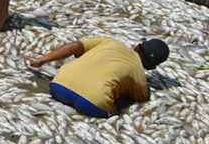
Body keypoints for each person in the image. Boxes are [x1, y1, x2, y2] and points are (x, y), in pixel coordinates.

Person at [25, 37, 169, 118]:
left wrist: (41, 60)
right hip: (91, 104)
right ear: (151, 67)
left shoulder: (111, 42)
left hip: (58, 86)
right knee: (122, 106)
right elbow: (141, 99)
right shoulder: (139, 74)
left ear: (137, 46)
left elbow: (75, 46)